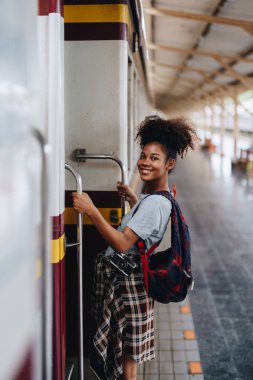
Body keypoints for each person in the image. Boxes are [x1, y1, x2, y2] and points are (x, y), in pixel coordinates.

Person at [72, 115, 198, 380]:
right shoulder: (159, 198)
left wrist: (91, 210)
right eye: (143, 155)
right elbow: (144, 231)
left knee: (124, 347)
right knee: (128, 349)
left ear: (169, 164)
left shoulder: (154, 203)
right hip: (135, 280)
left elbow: (121, 243)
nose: (144, 162)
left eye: (154, 158)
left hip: (127, 283)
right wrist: (132, 199)